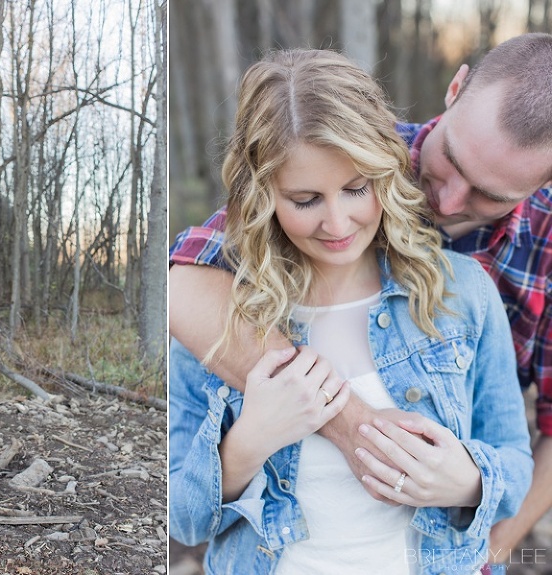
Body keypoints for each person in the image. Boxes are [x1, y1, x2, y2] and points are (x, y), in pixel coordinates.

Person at [169, 32, 552, 568]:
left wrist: (480, 529)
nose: (444, 201)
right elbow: (183, 280)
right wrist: (307, 429)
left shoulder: (470, 289)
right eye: (451, 162)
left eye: (491, 195)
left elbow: (516, 457)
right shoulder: (339, 141)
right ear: (455, 88)